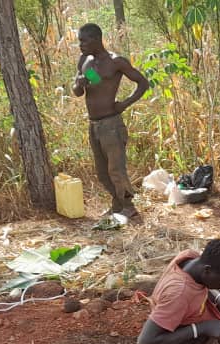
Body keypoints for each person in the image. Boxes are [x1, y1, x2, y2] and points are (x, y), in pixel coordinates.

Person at [72, 23, 149, 219]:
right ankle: (117, 204)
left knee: (116, 169)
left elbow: (142, 82)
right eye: (79, 41)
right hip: (94, 125)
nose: (80, 45)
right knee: (102, 171)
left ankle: (128, 206)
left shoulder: (116, 62)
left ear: (97, 39)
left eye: (84, 41)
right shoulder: (85, 61)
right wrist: (78, 84)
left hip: (111, 124)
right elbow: (80, 90)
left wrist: (124, 103)